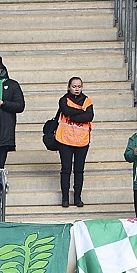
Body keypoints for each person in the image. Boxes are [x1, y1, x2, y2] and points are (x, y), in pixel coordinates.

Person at [54, 75, 93, 208]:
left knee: (79, 170)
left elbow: (89, 116)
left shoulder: (87, 100)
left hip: (82, 141)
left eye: (79, 86)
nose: (77, 89)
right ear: (69, 87)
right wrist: (81, 112)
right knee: (66, 170)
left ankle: (77, 198)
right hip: (65, 140)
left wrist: (73, 115)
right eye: (74, 86)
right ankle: (65, 198)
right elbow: (65, 110)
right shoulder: (64, 99)